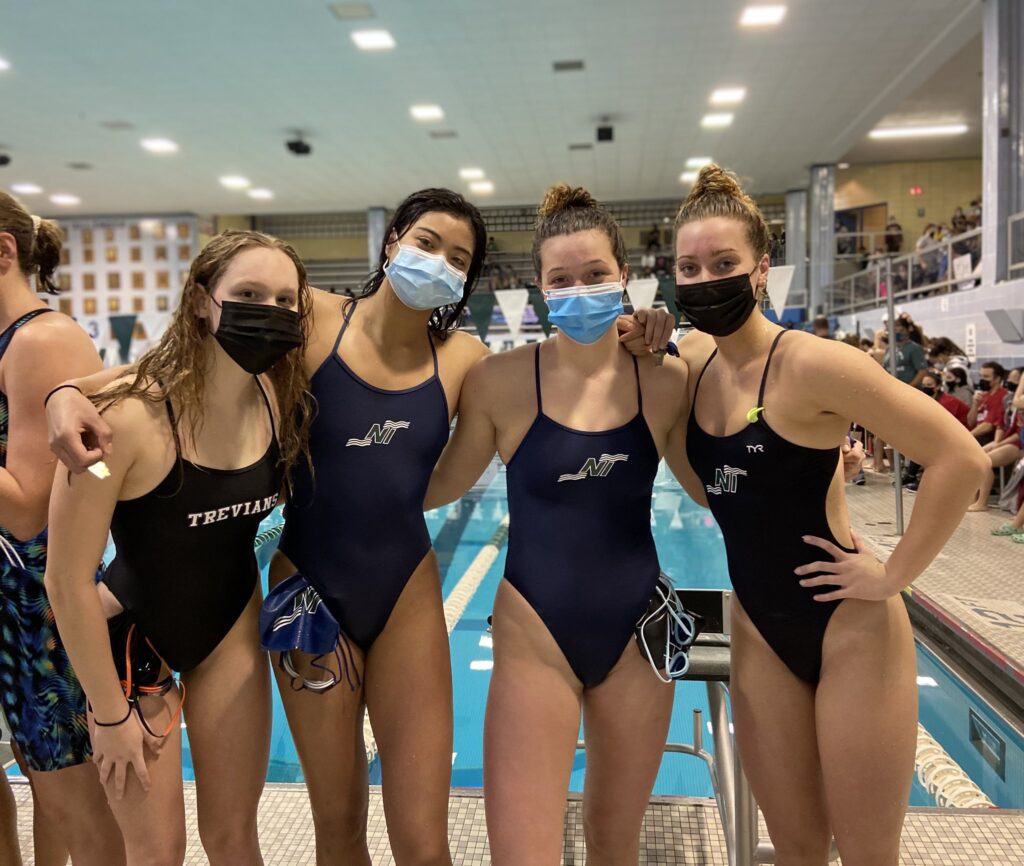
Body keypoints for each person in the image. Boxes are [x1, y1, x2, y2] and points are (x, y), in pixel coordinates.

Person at [46, 189, 676, 865]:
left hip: (406, 588)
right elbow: (190, 362)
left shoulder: (463, 357)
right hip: (311, 590)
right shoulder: (312, 318)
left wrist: (641, 327)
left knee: (424, 842)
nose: (438, 262)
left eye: (458, 258)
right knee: (340, 825)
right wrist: (68, 390)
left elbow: (566, 371)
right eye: (427, 243)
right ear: (392, 241)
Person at [671, 165, 986, 865]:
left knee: (868, 853)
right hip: (758, 627)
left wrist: (893, 574)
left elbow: (961, 459)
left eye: (724, 263)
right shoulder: (691, 363)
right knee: (796, 849)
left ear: (762, 269)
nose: (705, 280)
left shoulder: (815, 364)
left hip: (851, 628)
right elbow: (708, 490)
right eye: (689, 268)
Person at [422, 184, 692, 866]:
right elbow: (439, 485)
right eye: (561, 279)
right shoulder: (500, 382)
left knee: (615, 844)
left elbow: (716, 489)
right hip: (534, 634)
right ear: (540, 289)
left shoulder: (666, 380)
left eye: (595, 274)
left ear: (624, 276)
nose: (579, 291)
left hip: (637, 634)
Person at [44, 229, 311, 865]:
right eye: (248, 294)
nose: (268, 311)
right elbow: (65, 581)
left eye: (284, 300)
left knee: (235, 838)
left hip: (230, 630)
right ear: (200, 300)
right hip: (133, 650)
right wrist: (110, 715)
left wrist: (63, 389)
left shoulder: (276, 397)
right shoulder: (125, 421)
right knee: (156, 852)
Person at [0, 192, 124, 866]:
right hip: (11, 598)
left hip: (36, 608)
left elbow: (26, 508)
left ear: (4, 251)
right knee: (44, 794)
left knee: (78, 812)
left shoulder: (41, 340)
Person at [968, 368, 1024, 511]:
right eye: (1009, 379)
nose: (1010, 382)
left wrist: (999, 444)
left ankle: (982, 502)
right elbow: (1000, 423)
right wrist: (997, 442)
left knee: (986, 461)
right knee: (976, 457)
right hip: (1006, 439)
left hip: (1017, 444)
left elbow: (1019, 433)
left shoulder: (1019, 402)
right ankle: (973, 498)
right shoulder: (1008, 400)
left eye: (1015, 380)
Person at [967, 361, 1009, 445]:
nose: (982, 379)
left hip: (990, 438)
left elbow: (988, 426)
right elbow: (971, 422)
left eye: (986, 377)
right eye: (981, 376)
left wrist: (967, 436)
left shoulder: (1002, 396)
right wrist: (975, 405)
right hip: (979, 435)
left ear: (997, 379)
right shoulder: (983, 395)